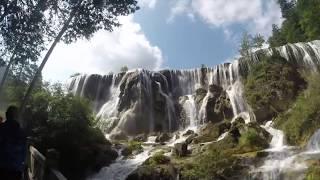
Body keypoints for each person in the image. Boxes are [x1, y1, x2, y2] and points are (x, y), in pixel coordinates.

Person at [0, 106, 26, 180]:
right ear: (17, 116)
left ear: (6, 115)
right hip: (16, 168)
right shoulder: (21, 132)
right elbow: (24, 152)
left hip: (2, 167)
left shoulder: (1, 129)